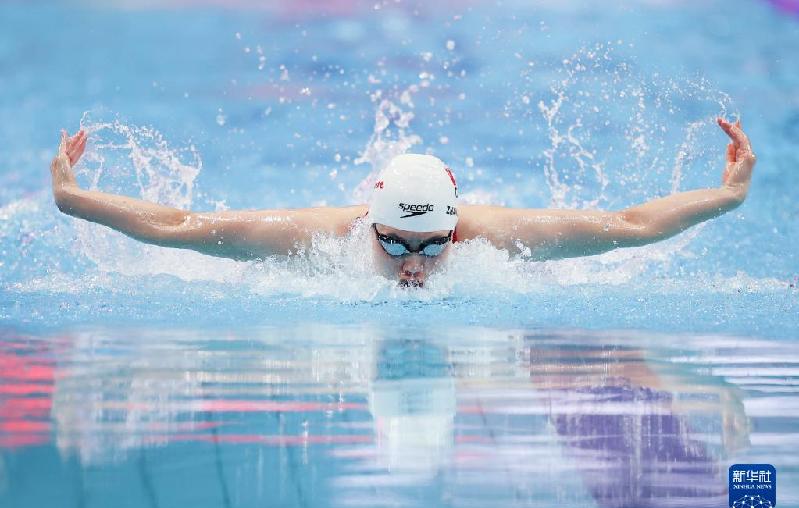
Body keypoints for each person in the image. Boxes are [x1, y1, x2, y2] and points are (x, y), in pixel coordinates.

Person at [50, 118, 755, 287]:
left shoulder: (496, 239)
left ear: (458, 229)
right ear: (369, 220)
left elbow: (627, 227)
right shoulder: (314, 239)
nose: (412, 265)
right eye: (393, 242)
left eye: (430, 246)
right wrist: (73, 200)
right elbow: (182, 227)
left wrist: (726, 197)